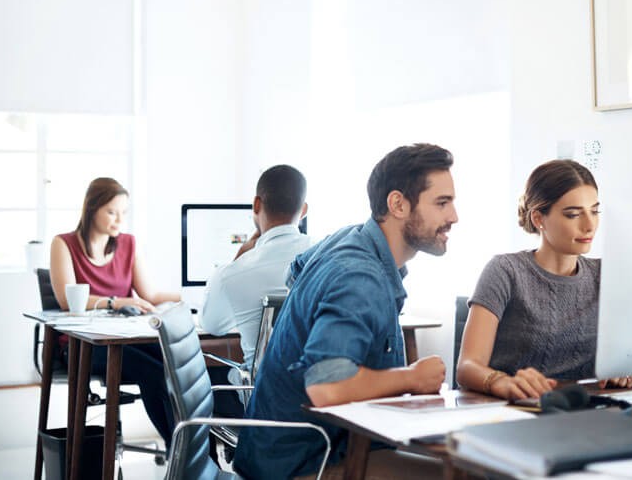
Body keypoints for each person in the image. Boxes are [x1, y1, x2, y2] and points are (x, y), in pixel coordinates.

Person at [233, 144, 458, 479]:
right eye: (442, 203)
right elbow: (327, 388)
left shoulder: (351, 238)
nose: (453, 216)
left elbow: (294, 273)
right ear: (397, 204)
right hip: (304, 464)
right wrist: (411, 377)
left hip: (284, 453)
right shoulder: (360, 276)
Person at [456, 159, 632, 401]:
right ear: (538, 219)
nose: (589, 225)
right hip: (513, 409)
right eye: (573, 214)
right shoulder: (505, 270)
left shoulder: (606, 275)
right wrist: (501, 382)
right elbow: (467, 367)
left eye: (595, 211)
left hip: (583, 410)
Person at [50, 177, 180, 447]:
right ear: (91, 209)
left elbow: (151, 296)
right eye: (111, 212)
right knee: (153, 372)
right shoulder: (63, 244)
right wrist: (116, 301)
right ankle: (180, 450)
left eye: (124, 212)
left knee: (173, 359)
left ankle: (194, 451)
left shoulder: (129, 244)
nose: (119, 220)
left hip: (125, 337)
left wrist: (192, 295)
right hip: (84, 345)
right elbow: (66, 300)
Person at [199, 164, 311, 412]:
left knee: (213, 377)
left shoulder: (233, 273)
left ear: (256, 205)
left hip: (265, 408)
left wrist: (238, 258)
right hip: (322, 404)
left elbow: (212, 325)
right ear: (303, 211)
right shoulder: (328, 255)